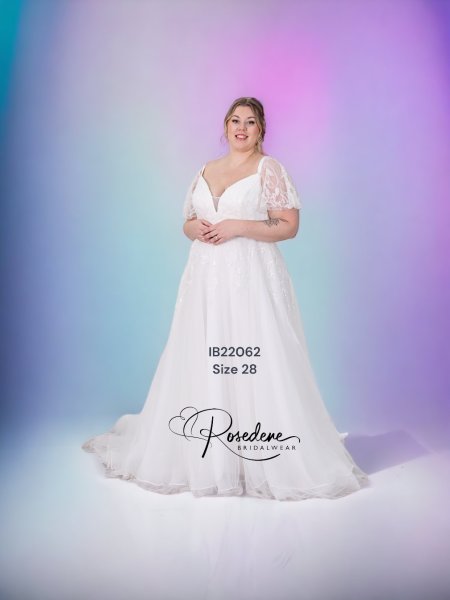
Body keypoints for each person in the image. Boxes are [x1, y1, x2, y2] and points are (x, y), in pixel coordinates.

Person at [82, 96, 370, 501]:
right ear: (225, 125)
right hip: (205, 278)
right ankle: (212, 454)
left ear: (261, 129)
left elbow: (289, 225)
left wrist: (237, 225)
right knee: (206, 354)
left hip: (250, 276)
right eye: (235, 120)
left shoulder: (268, 169)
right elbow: (186, 222)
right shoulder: (205, 169)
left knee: (254, 357)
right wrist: (195, 229)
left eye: (250, 122)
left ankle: (259, 454)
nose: (241, 128)